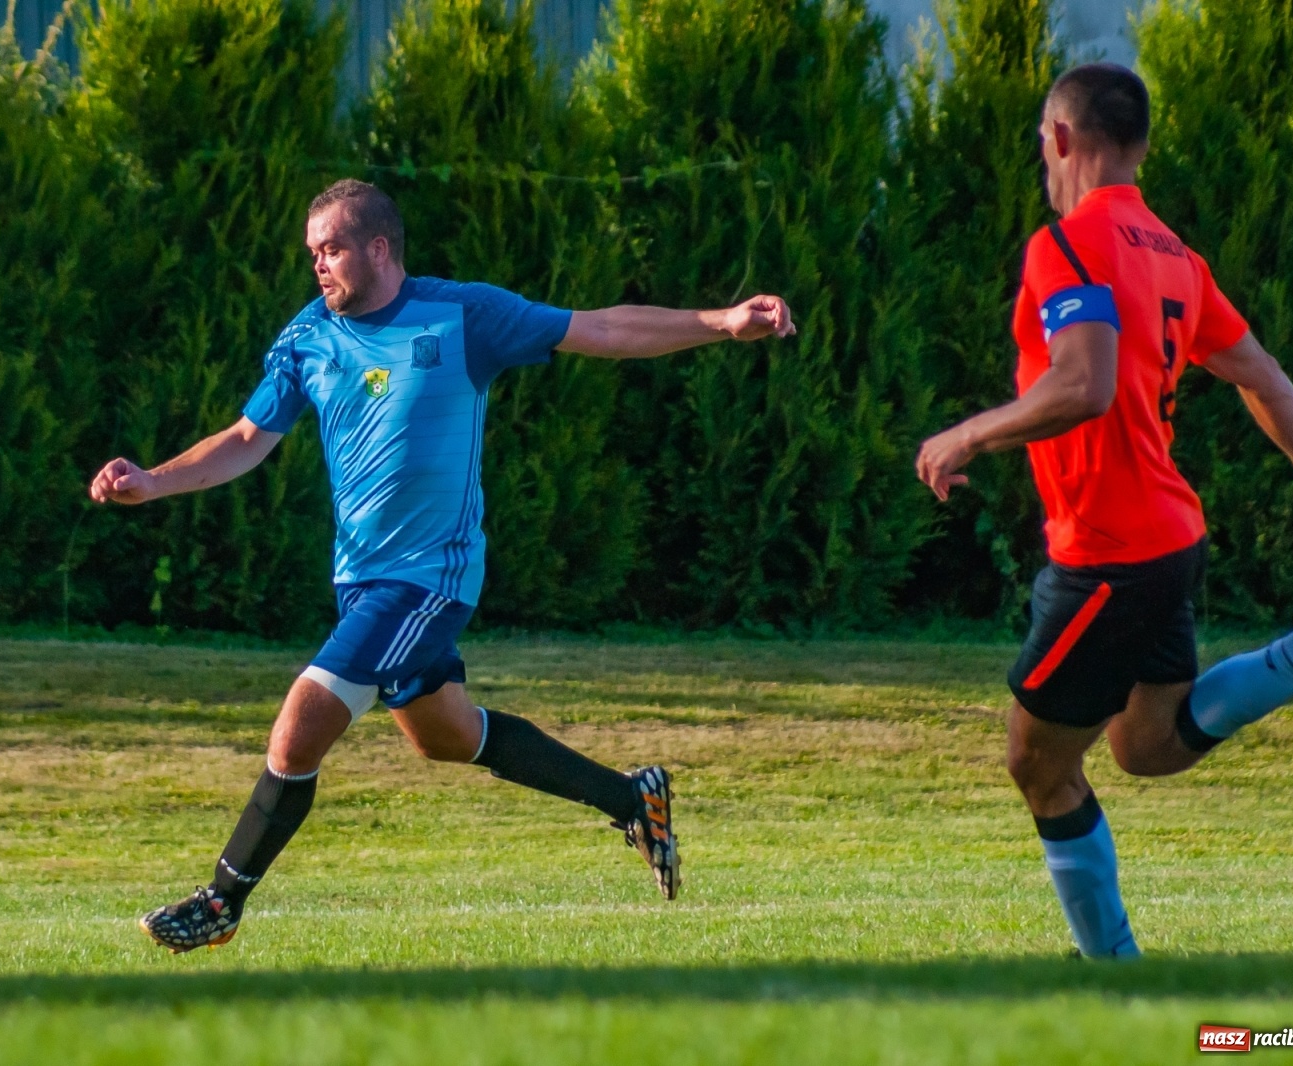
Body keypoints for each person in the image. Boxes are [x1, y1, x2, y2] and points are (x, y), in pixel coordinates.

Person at [89, 178, 796, 952]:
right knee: (446, 736)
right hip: (361, 583)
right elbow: (246, 439)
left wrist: (722, 321)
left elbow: (601, 329)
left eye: (330, 250)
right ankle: (630, 798)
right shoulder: (307, 339)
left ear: (379, 248)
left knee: (299, 727)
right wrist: (153, 480)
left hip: (428, 579)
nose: (318, 267)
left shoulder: (464, 315)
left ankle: (222, 902)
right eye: (312, 254)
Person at [915, 63, 1293, 957]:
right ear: (1143, 147)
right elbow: (1260, 374)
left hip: (1108, 556)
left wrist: (970, 433)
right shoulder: (1175, 257)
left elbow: (1084, 383)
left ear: (1060, 140)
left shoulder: (1066, 246)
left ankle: (1118, 983)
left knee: (1037, 763)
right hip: (1169, 542)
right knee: (1147, 745)